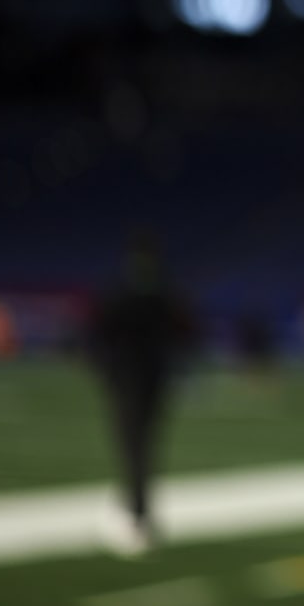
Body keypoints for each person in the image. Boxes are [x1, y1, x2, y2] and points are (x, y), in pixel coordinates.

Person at [88, 232, 193, 556]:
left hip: (129, 378)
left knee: (133, 445)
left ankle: (138, 516)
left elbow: (99, 334)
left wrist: (106, 369)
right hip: (154, 377)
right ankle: (139, 508)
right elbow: (184, 331)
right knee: (144, 445)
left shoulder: (123, 292)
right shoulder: (164, 291)